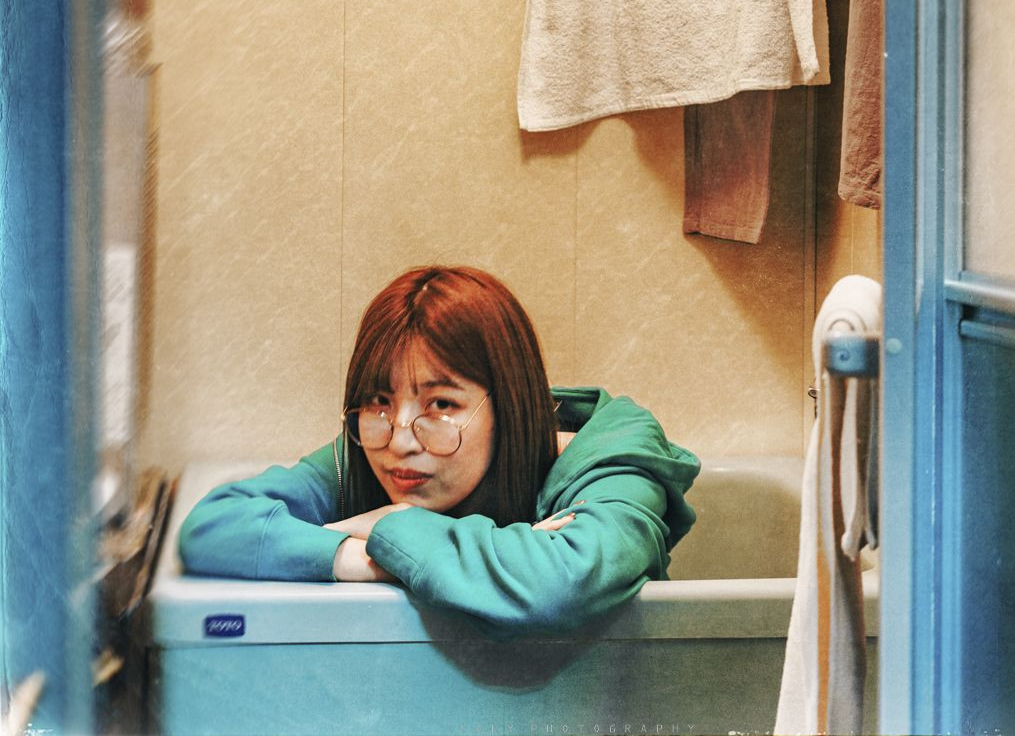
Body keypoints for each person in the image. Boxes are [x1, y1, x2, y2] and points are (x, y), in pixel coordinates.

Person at [179, 265, 699, 632]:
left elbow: (561, 584)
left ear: (508, 405)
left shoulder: (614, 467)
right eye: (379, 400)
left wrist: (389, 523)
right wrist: (363, 555)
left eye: (442, 404)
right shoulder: (368, 447)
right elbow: (213, 528)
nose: (401, 441)